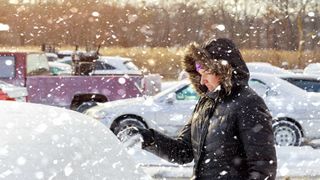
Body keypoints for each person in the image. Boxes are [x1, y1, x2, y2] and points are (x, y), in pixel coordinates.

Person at [134, 38, 277, 179]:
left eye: (206, 73)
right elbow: (183, 151)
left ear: (223, 70)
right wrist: (148, 138)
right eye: (200, 75)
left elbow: (263, 169)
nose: (202, 81)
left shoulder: (249, 103)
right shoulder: (206, 102)